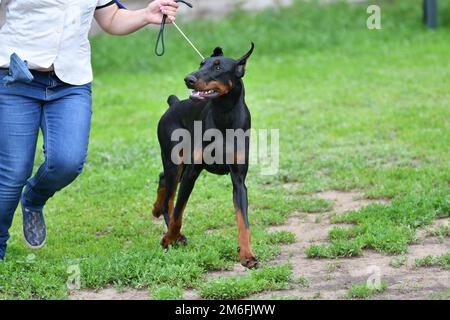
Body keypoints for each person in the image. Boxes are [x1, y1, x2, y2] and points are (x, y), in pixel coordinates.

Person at [0, 0, 180, 261]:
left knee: (67, 162)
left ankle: (34, 197)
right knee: (13, 171)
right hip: (15, 76)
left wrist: (145, 14)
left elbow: (111, 19)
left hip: (70, 82)